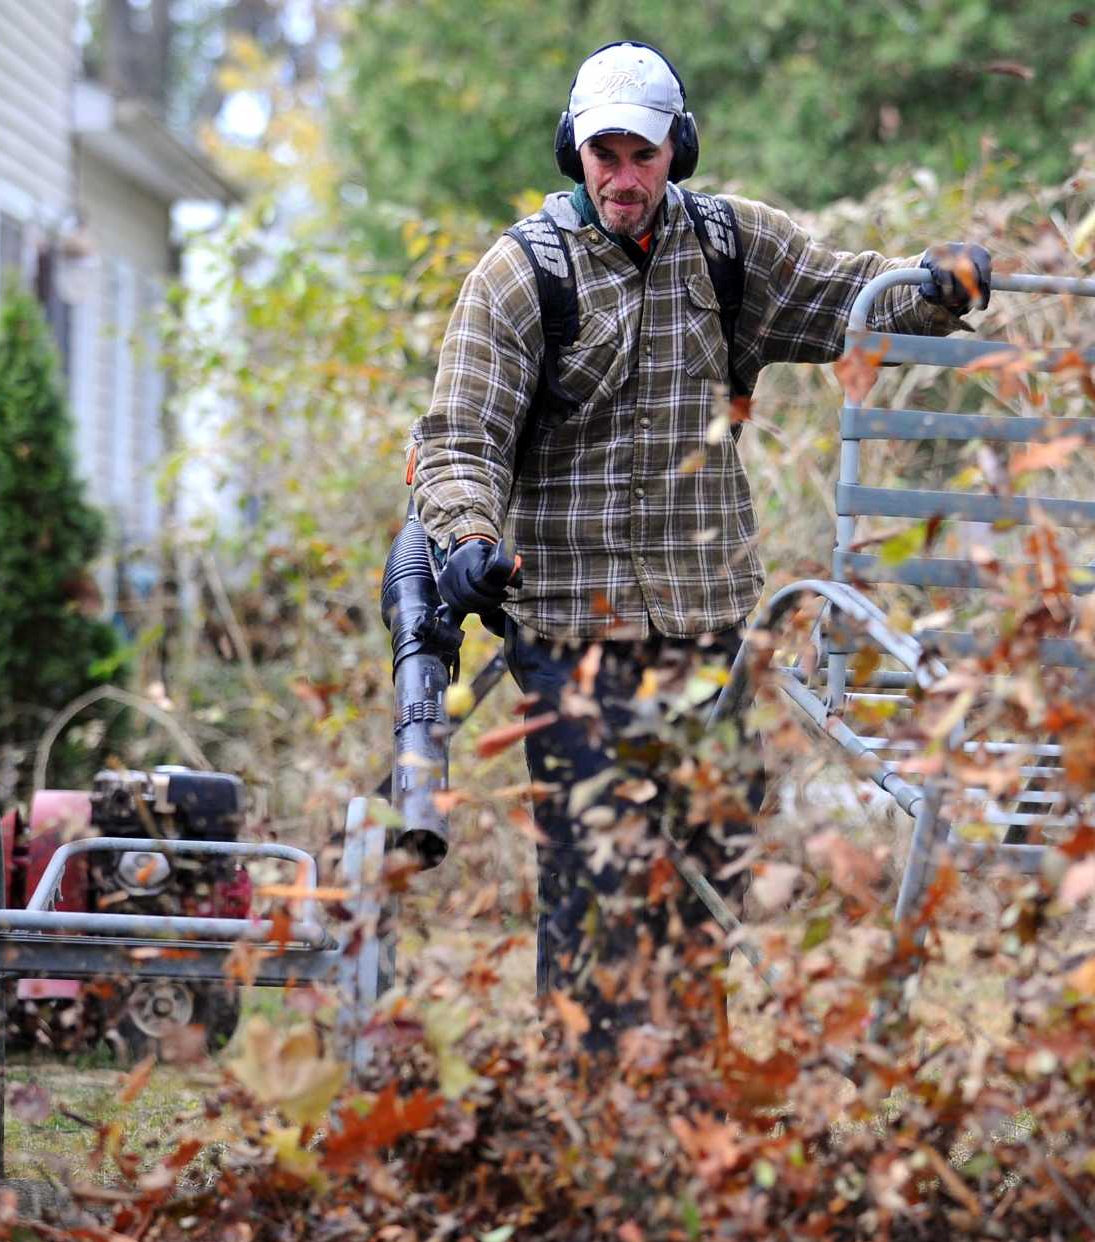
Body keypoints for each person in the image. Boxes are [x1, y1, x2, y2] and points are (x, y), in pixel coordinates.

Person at [406, 39, 992, 1053]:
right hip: (573, 631)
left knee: (704, 869)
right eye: (604, 156)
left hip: (707, 629)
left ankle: (686, 1108)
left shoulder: (731, 249)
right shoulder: (517, 279)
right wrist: (467, 537)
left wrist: (938, 285)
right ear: (572, 152)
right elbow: (460, 440)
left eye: (642, 154)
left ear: (679, 147)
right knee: (595, 880)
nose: (623, 179)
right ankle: (592, 1106)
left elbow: (853, 301)